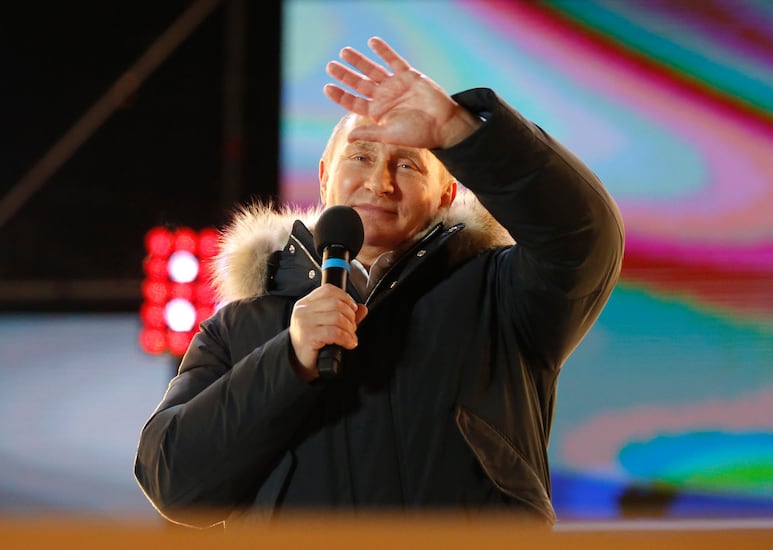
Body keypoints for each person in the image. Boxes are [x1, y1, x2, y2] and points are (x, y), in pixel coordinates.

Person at [134, 37, 624, 527]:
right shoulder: (236, 330)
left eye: (407, 163)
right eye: (361, 157)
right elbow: (173, 481)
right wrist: (289, 359)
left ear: (446, 193)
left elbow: (584, 236)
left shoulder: (501, 294)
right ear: (325, 178)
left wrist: (459, 130)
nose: (380, 181)